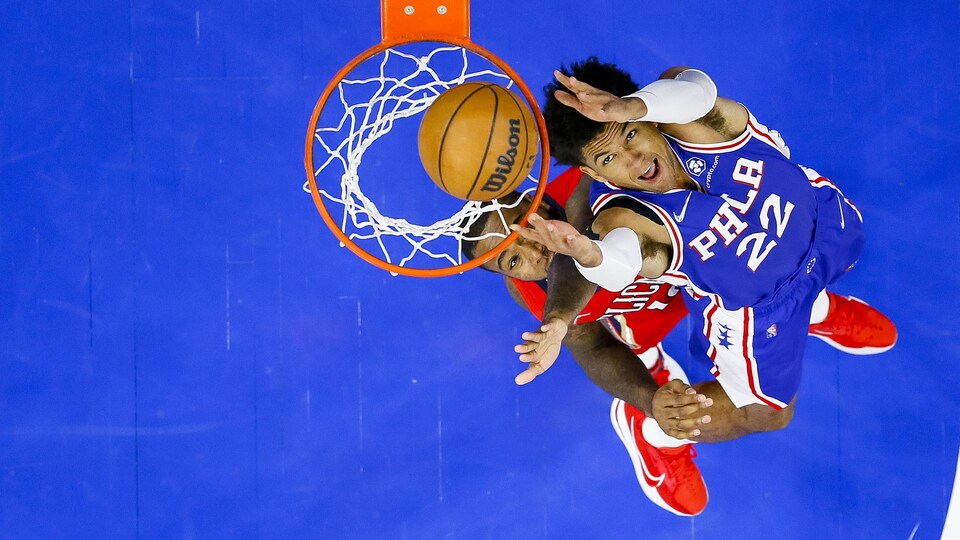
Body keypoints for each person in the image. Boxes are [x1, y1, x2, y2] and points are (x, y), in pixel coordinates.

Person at [465, 163, 896, 514]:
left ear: (536, 199)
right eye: (514, 258)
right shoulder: (539, 295)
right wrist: (649, 401)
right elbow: (593, 346)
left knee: (769, 265)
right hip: (647, 311)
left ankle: (809, 309)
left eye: (524, 226)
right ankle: (654, 433)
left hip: (706, 270)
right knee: (724, 398)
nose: (535, 252)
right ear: (507, 275)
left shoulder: (596, 180)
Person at [510, 58, 897, 448]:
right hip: (758, 315)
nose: (635, 161)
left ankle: (816, 310)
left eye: (629, 135)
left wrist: (631, 107)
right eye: (608, 159)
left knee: (842, 260)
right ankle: (651, 434)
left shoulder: (696, 119)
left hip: (823, 220)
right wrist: (588, 254)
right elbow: (622, 261)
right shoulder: (620, 213)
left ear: (644, 114)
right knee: (769, 414)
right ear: (593, 173)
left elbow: (696, 89)